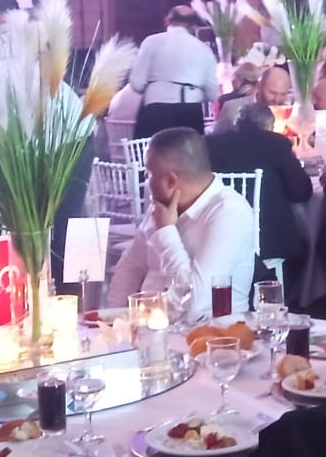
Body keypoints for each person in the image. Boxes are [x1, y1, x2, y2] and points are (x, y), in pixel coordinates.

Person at [106, 128, 257, 319]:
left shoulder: (229, 212)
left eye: (148, 174)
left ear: (170, 181)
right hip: (149, 327)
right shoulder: (162, 206)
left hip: (210, 332)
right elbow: (130, 268)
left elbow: (194, 303)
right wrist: (113, 320)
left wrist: (166, 231)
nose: (146, 182)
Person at [205, 102, 312, 289]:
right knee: (305, 249)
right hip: (267, 240)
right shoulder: (276, 143)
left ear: (237, 122)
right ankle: (280, 296)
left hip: (216, 235)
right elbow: (301, 191)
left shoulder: (209, 143)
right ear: (269, 125)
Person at [126, 6, 221, 141]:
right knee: (189, 153)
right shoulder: (205, 50)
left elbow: (137, 84)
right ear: (194, 25)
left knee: (152, 151)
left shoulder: (152, 41)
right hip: (191, 112)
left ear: (167, 20)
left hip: (156, 110)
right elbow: (213, 94)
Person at [214, 61, 293, 134]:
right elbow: (217, 139)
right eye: (272, 93)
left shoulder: (291, 114)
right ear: (259, 86)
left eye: (283, 94)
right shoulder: (232, 108)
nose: (277, 99)